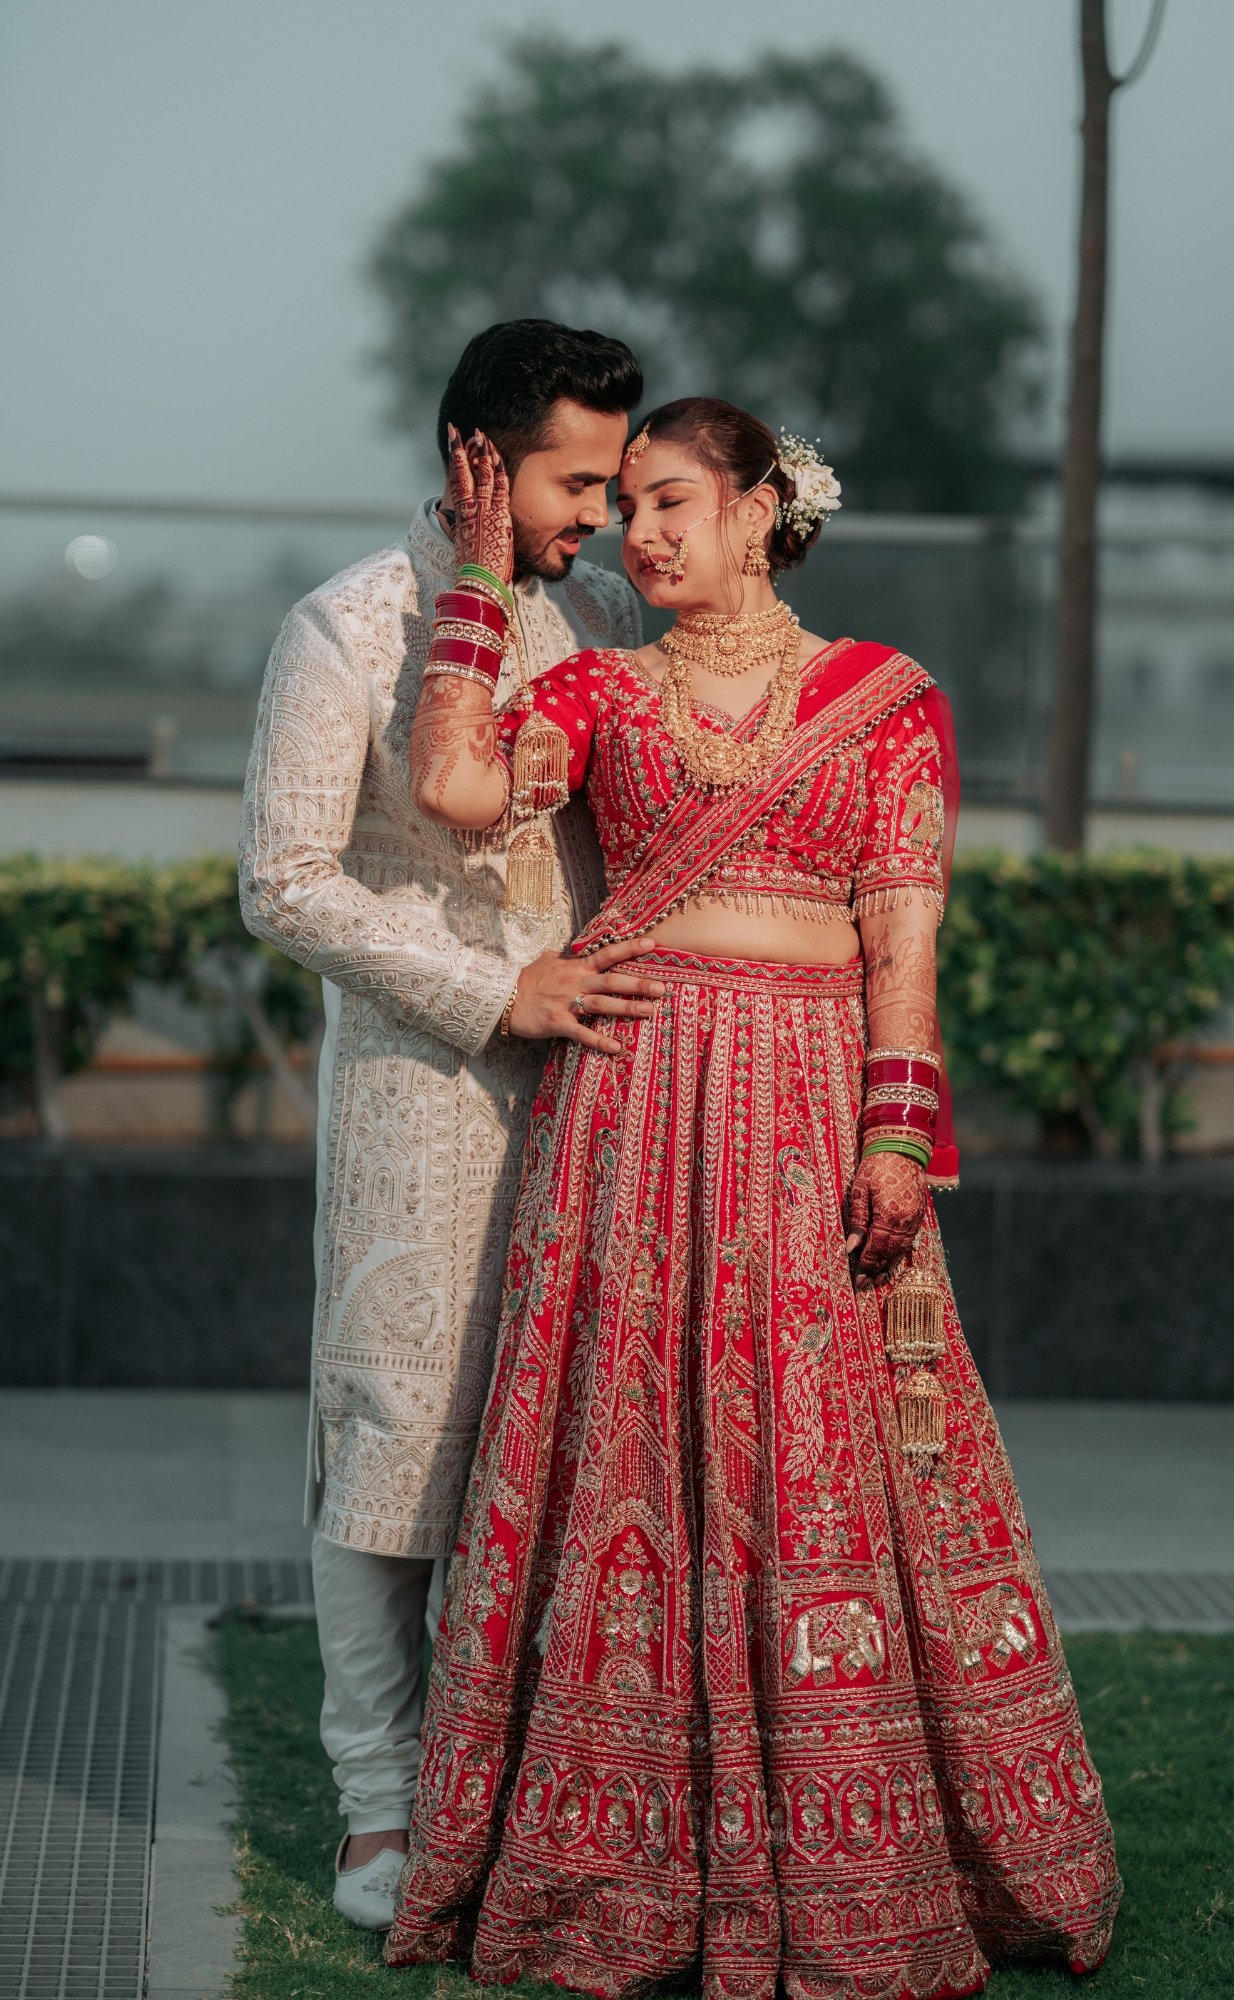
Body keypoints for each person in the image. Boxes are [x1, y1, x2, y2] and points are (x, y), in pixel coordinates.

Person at [383, 399, 1121, 1996]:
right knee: (633, 1451)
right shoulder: (592, 684)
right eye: (625, 506)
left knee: (821, 1451)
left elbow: (897, 938)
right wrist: (476, 580)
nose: (640, 534)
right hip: (630, 1117)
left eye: (669, 501)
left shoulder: (881, 700)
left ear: (763, 506)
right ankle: (616, 1857)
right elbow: (452, 791)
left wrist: (900, 1132)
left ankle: (862, 1854)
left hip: (801, 1104)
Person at [239, 320, 670, 1930]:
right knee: (394, 1437)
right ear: (475, 462)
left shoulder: (618, 617)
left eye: (622, 481)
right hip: (425, 1093)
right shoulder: (346, 627)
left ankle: (538, 1794)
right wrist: (497, 992)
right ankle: (375, 1812)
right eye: (578, 479)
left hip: (607, 1086)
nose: (606, 515)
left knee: (565, 1445)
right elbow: (283, 881)